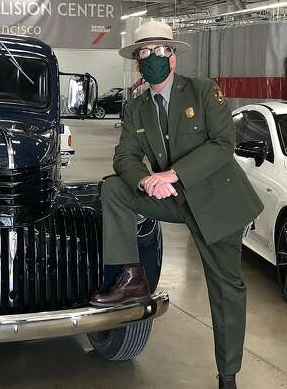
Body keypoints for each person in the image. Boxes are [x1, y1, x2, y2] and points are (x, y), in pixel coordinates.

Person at [90, 20, 263, 389]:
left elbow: (222, 144)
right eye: (144, 52)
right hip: (173, 200)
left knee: (225, 291)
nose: (152, 57)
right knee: (114, 189)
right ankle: (132, 278)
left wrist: (171, 174)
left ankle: (228, 375)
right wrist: (144, 179)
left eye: (159, 50)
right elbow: (125, 157)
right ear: (137, 61)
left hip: (218, 203)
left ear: (173, 56)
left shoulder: (202, 91)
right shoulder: (136, 107)